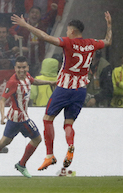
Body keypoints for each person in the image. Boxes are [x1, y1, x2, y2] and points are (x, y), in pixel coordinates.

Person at [11, 11, 112, 171]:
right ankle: (70, 145)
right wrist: (109, 24)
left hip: (65, 88)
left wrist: (26, 25)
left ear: (72, 31)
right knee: (68, 123)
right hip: (81, 90)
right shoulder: (92, 43)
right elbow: (108, 41)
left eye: (67, 30)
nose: (66, 32)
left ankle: (50, 155)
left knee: (47, 119)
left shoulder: (68, 42)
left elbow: (44, 36)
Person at [0, 56, 56, 179]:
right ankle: (21, 164)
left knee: (4, 142)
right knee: (37, 139)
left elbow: (34, 81)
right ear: (15, 68)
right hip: (19, 118)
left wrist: (50, 82)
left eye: (23, 67)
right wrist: (2, 116)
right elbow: (2, 101)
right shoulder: (13, 82)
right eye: (19, 67)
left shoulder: (27, 76)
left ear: (27, 67)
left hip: (19, 118)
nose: (21, 70)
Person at [9, 6, 57, 76]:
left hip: (39, 58)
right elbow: (11, 30)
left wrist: (54, 10)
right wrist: (15, 35)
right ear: (28, 14)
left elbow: (50, 17)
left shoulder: (42, 24)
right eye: (32, 12)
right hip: (25, 58)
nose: (34, 15)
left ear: (40, 16)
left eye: (37, 13)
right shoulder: (23, 23)